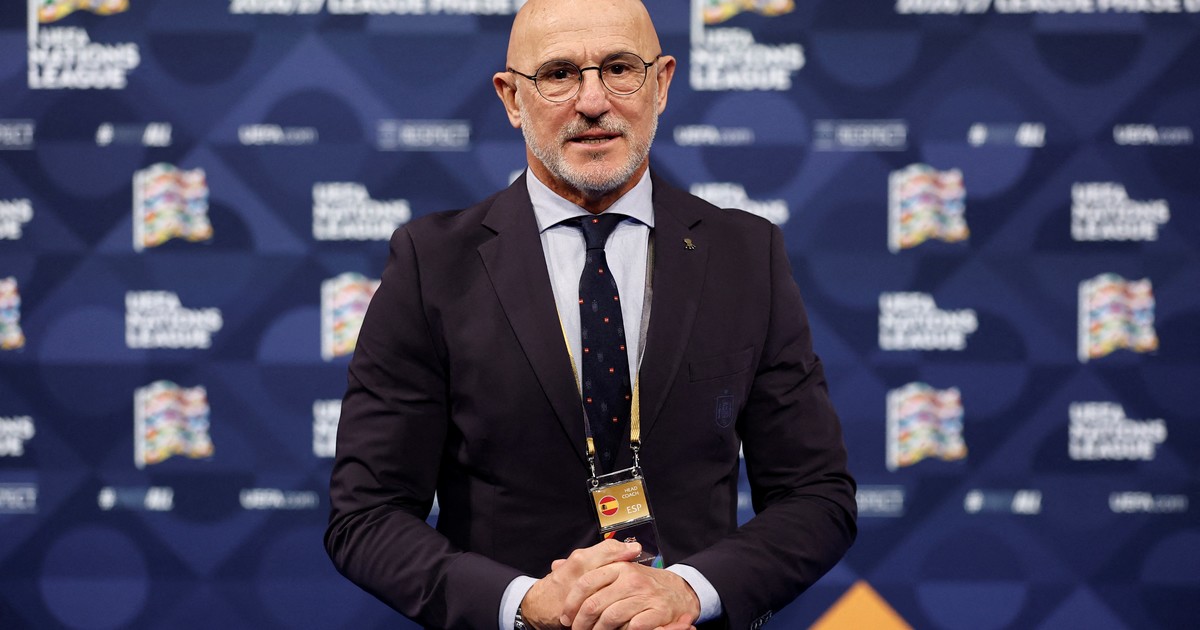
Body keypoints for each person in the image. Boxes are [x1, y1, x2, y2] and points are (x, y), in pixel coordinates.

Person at [324, 1, 857, 628]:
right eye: (559, 74)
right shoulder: (432, 265)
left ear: (661, 84)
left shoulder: (745, 254)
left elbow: (816, 496)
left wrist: (689, 591)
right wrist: (524, 603)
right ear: (511, 98)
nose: (593, 101)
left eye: (620, 69)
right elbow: (368, 515)